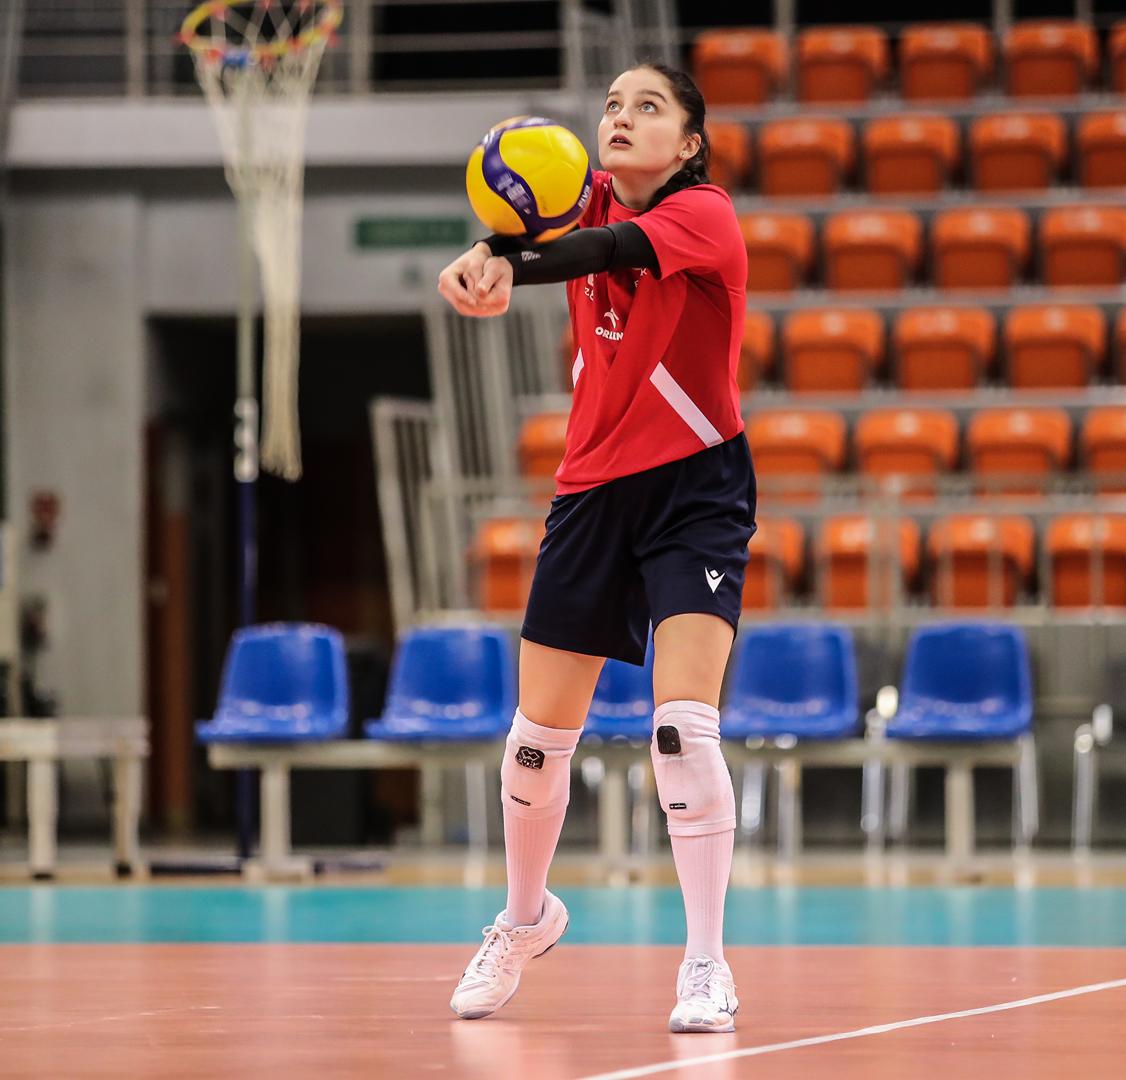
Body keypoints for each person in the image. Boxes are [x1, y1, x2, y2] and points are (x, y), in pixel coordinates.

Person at [436, 61, 754, 1033]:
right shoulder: (583, 198)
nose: (620, 117)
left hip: (695, 486)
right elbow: (538, 227)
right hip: (591, 490)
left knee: (681, 729)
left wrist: (508, 260)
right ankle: (524, 919)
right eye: (612, 104)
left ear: (688, 144)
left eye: (647, 107)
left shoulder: (704, 216)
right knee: (535, 743)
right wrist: (483, 255)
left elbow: (603, 248)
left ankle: (706, 962)